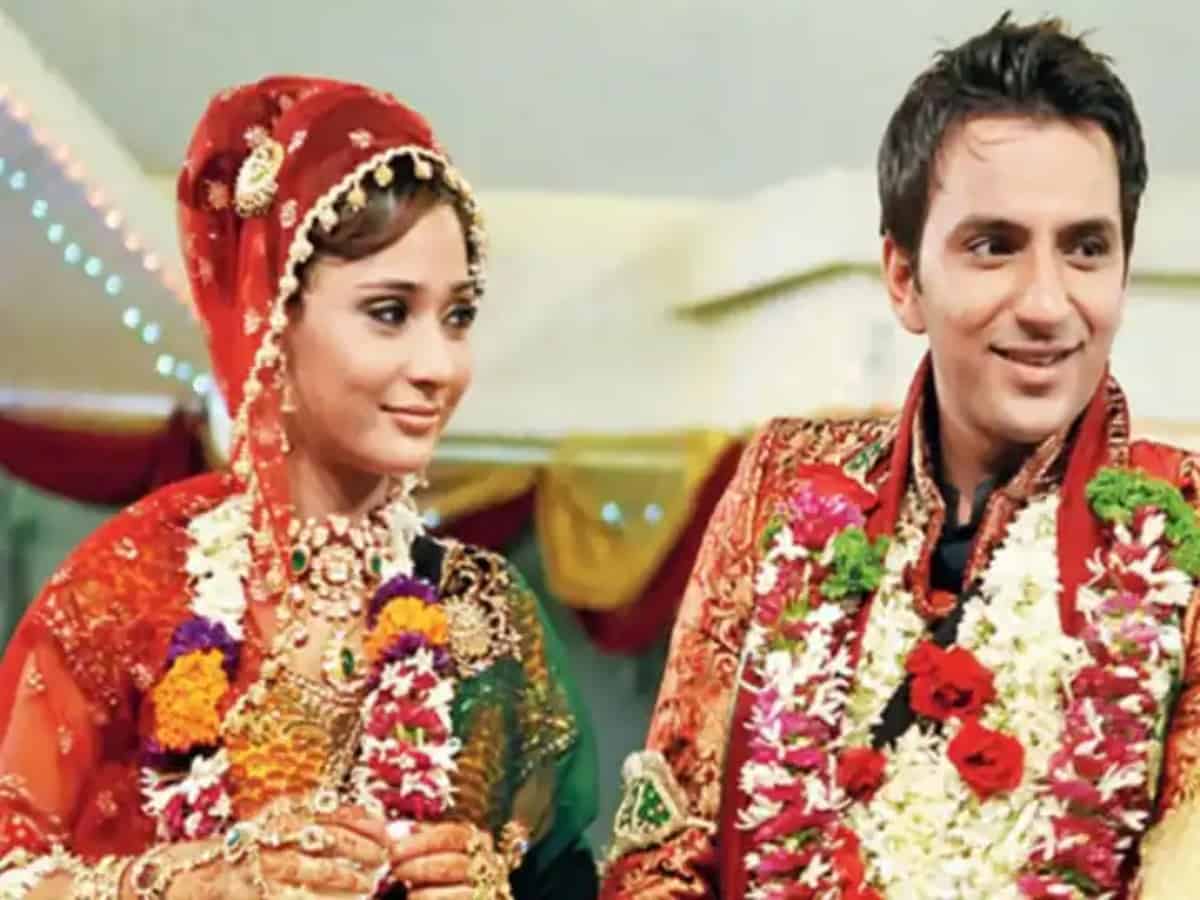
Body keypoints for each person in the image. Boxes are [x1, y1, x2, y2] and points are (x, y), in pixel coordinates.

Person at [601, 13, 1200, 899]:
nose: (1047, 303)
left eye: (1085, 248)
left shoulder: (1180, 528)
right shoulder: (786, 489)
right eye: (994, 246)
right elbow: (662, 851)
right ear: (903, 278)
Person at [0, 76, 598, 899]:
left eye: (458, 316)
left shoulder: (486, 616)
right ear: (273, 321)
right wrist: (187, 884)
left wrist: (491, 886)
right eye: (389, 312)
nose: (439, 365)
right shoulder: (136, 586)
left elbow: (568, 874)